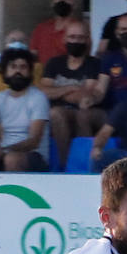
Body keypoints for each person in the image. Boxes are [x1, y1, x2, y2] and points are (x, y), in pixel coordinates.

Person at [0, 48, 49, 172]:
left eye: (23, 67)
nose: (18, 71)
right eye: (13, 67)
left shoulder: (38, 98)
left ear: (30, 72)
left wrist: (4, 150)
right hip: (4, 153)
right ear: (4, 72)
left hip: (33, 156)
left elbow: (34, 141)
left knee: (11, 159)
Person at [41, 19, 107, 164]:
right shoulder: (54, 63)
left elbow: (85, 96)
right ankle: (66, 165)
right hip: (61, 113)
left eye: (80, 38)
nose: (76, 41)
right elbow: (43, 91)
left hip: (89, 111)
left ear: (87, 40)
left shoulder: (94, 64)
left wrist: (57, 92)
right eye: (72, 37)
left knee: (81, 114)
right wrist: (70, 88)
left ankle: (86, 164)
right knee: (56, 113)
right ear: (64, 39)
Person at [28, 0, 84, 69]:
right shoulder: (41, 29)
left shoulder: (80, 30)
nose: (61, 2)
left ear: (75, 4)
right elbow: (32, 58)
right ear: (52, 2)